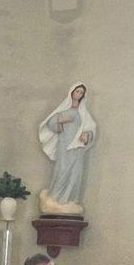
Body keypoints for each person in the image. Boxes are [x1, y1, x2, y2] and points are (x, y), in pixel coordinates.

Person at [37, 82, 97, 216]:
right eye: (77, 91)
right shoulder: (63, 110)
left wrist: (87, 135)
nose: (78, 94)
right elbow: (51, 123)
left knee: (76, 173)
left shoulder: (84, 114)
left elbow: (91, 129)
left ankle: (70, 200)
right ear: (72, 92)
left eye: (81, 93)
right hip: (64, 146)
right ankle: (55, 198)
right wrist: (60, 121)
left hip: (77, 148)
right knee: (62, 170)